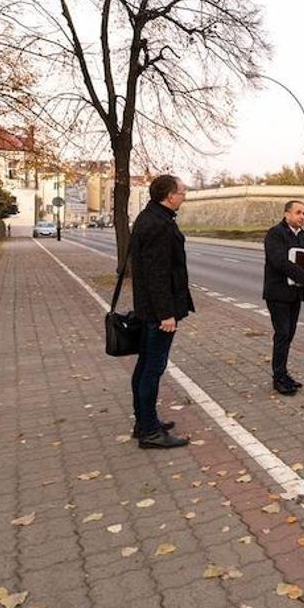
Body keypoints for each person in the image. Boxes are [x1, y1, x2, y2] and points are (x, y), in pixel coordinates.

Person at [130, 174, 194, 448]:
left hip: (149, 309)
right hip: (158, 314)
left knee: (145, 366)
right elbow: (156, 274)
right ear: (169, 196)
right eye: (182, 192)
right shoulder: (158, 225)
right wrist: (166, 314)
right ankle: (149, 433)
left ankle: (145, 422)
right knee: (151, 370)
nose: (185, 196)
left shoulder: (150, 218)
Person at [262, 200, 304, 395]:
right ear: (287, 214)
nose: (302, 216)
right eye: (298, 212)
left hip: (295, 292)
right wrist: (303, 277)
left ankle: (284, 373)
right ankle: (278, 378)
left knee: (290, 334)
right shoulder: (275, 233)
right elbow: (279, 262)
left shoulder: (303, 235)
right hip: (278, 293)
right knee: (282, 333)